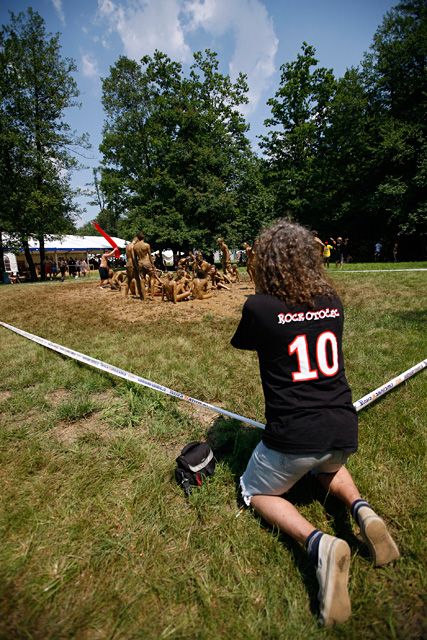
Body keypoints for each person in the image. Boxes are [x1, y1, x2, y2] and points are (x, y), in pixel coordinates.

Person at [231, 220, 399, 627]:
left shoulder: (259, 307)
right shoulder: (333, 299)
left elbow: (244, 342)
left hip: (292, 438)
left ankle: (318, 543)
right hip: (342, 431)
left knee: (253, 490)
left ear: (266, 263)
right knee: (327, 465)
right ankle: (362, 510)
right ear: (312, 259)